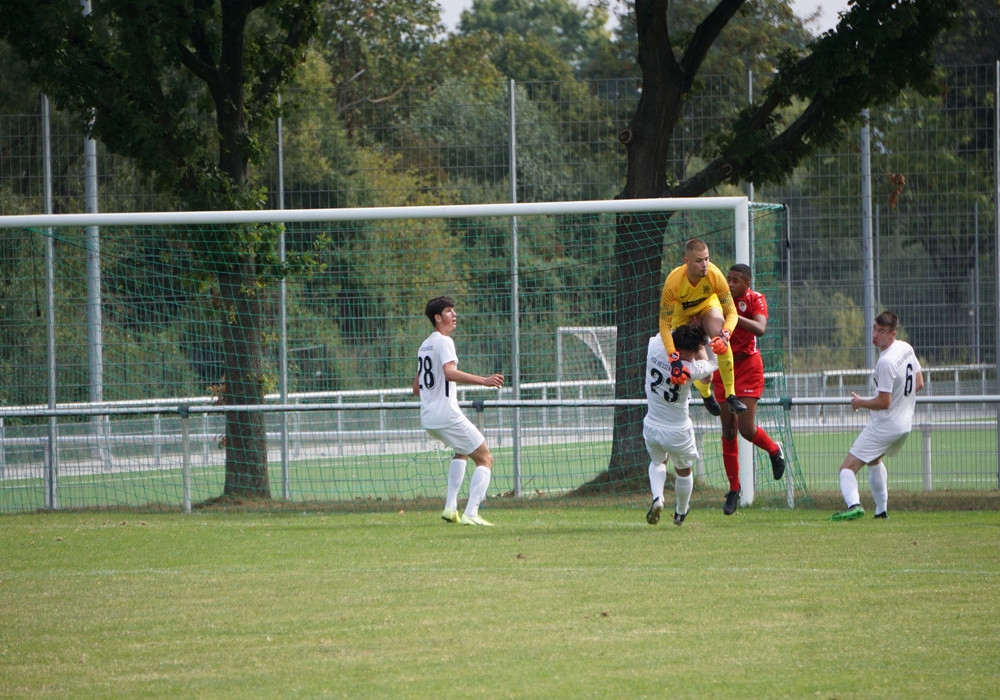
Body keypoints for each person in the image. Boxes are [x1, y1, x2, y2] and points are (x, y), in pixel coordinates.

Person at [413, 296, 505, 526]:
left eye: (454, 311)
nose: (454, 315)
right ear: (437, 318)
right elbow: (449, 373)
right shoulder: (445, 342)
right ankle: (471, 513)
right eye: (449, 311)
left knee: (461, 451)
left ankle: (450, 508)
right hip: (446, 415)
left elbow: (417, 388)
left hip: (429, 418)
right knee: (485, 458)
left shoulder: (425, 346)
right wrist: (484, 380)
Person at [832, 311, 923, 521]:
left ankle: (854, 505)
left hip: (885, 425)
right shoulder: (906, 348)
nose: (875, 334)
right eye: (874, 329)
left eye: (881, 331)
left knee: (846, 468)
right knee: (874, 460)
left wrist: (859, 402)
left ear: (892, 334)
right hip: (904, 425)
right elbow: (919, 383)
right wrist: (902, 403)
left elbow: (884, 402)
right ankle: (881, 511)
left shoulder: (886, 362)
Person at [711, 264, 786, 515]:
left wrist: (732, 316)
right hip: (723, 366)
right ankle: (734, 489)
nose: (729, 284)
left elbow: (761, 329)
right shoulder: (717, 300)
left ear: (746, 283)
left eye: (735, 280)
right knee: (728, 430)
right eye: (728, 279)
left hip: (748, 366)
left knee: (745, 429)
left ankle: (774, 450)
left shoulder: (755, 300)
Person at [659, 238, 747, 417]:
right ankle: (706, 394)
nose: (705, 264)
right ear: (687, 261)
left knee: (718, 331)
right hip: (683, 319)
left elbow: (731, 312)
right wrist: (673, 358)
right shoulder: (673, 282)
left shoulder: (714, 274)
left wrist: (725, 336)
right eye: (699, 261)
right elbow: (664, 324)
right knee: (706, 376)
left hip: (708, 307)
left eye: (706, 259)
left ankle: (731, 395)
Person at [643, 324, 718, 526]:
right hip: (678, 430)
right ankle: (680, 512)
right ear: (691, 351)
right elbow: (713, 363)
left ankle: (658, 498)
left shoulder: (655, 346)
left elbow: (666, 327)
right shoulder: (692, 368)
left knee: (658, 462)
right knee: (683, 470)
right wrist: (704, 338)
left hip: (651, 425)